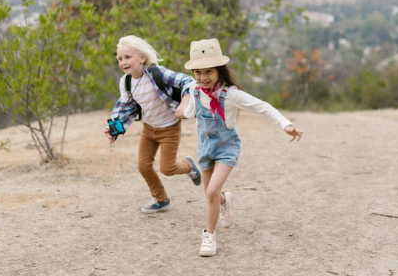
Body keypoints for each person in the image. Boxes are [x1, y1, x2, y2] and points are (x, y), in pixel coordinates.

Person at [182, 38, 303, 257]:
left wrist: (286, 124)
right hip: (206, 147)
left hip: (227, 148)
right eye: (198, 72)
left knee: (210, 191)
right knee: (211, 195)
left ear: (219, 71)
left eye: (208, 71)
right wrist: (183, 112)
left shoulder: (232, 95)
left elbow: (263, 107)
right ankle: (225, 200)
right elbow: (191, 111)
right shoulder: (195, 89)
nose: (203, 77)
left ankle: (209, 236)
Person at [104, 35, 201, 214]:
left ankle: (188, 165)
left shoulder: (158, 74)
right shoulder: (125, 82)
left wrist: (185, 101)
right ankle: (160, 199)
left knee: (168, 168)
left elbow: (189, 81)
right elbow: (125, 108)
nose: (123, 62)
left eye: (127, 57)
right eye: (119, 59)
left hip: (169, 128)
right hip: (149, 129)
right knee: (143, 166)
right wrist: (114, 130)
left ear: (142, 57)